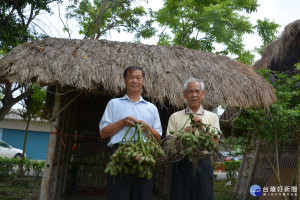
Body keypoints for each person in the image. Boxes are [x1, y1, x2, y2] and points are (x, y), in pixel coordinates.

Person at [99, 66, 162, 200]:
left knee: (143, 196)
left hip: (144, 156)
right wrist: (122, 122)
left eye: (138, 78)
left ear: (143, 81)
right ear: (125, 80)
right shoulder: (114, 104)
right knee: (117, 196)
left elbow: (157, 137)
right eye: (131, 77)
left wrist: (146, 127)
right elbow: (103, 133)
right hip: (120, 154)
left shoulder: (152, 108)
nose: (135, 81)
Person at [166, 77, 220, 200]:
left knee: (204, 196)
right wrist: (181, 136)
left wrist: (202, 128)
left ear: (203, 94)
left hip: (204, 161)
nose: (194, 95)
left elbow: (214, 143)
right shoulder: (175, 116)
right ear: (184, 95)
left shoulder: (212, 117)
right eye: (190, 92)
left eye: (197, 91)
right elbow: (169, 144)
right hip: (181, 162)